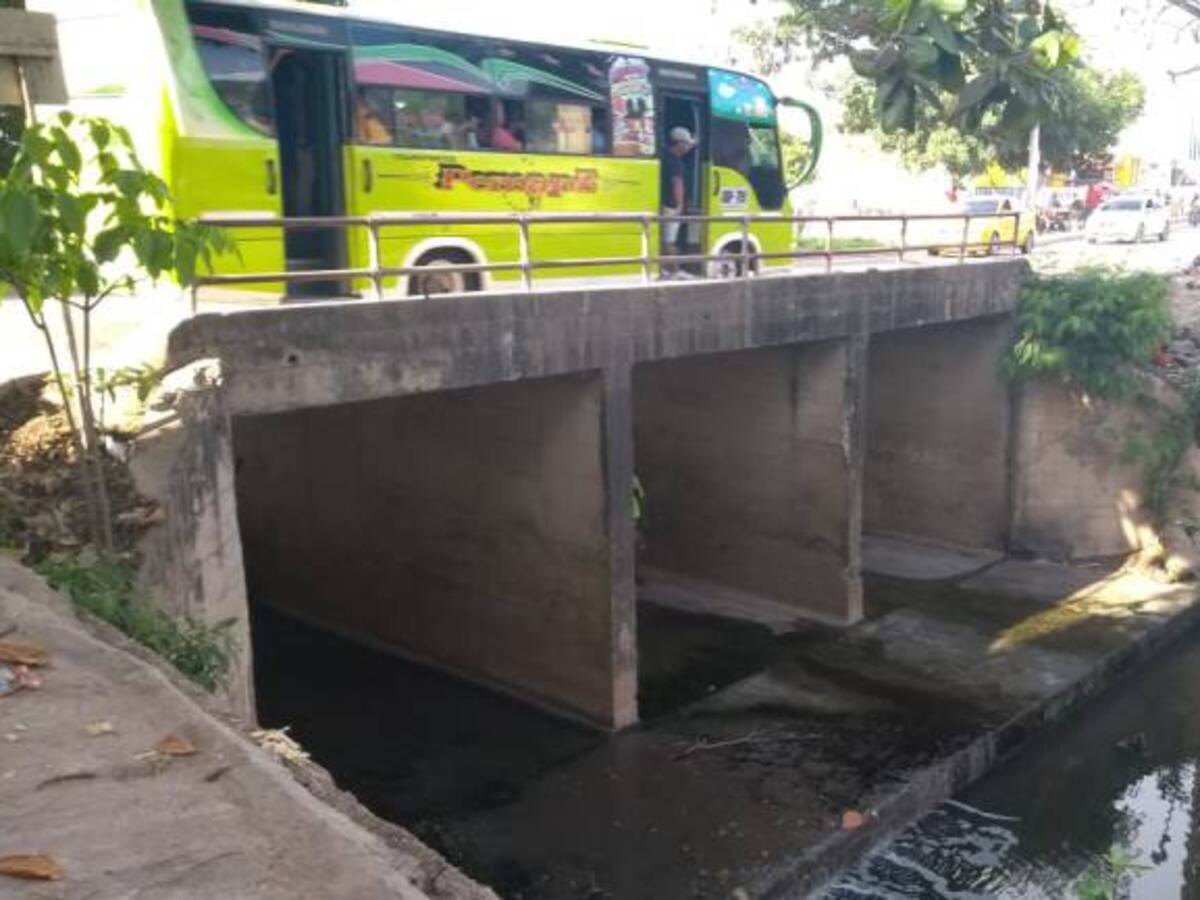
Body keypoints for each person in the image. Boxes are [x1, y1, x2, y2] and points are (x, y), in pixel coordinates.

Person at [661, 126, 696, 274]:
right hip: (671, 206)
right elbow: (678, 184)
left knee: (664, 238)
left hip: (663, 203)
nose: (688, 147)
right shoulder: (676, 162)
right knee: (669, 241)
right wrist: (680, 205)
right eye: (686, 144)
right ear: (679, 144)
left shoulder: (664, 155)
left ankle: (666, 269)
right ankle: (674, 270)